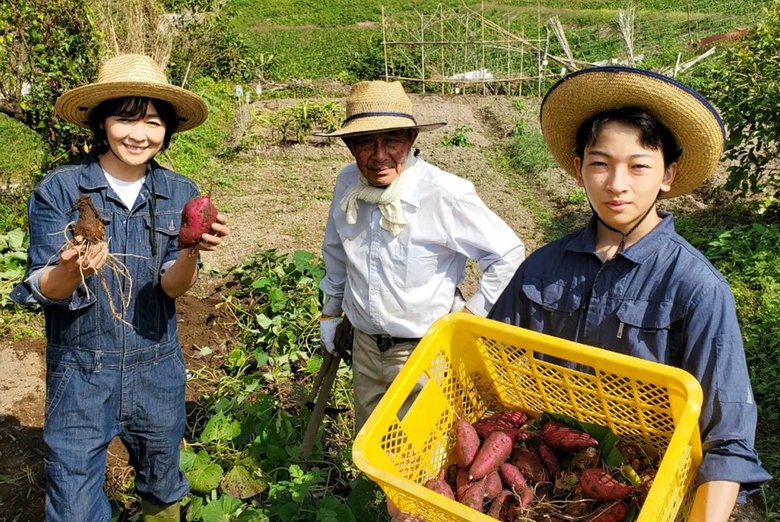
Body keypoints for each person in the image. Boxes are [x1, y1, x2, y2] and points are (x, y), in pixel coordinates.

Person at [488, 66, 771, 521]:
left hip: (648, 489)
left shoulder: (696, 287)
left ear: (667, 175)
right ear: (579, 169)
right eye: (600, 164)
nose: (616, 184)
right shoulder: (541, 269)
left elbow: (727, 438)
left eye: (639, 166)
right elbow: (489, 371)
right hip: (546, 481)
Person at [10, 54, 229, 522]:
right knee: (71, 497)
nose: (139, 134)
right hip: (81, 370)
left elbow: (173, 288)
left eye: (152, 121)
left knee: (163, 481)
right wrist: (75, 269)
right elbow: (44, 285)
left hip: (158, 364)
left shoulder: (179, 191)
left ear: (167, 129)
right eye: (125, 118)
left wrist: (192, 248)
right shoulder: (62, 189)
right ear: (102, 123)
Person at [315, 80, 525, 433]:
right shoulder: (348, 183)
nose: (379, 155)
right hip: (365, 345)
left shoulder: (443, 194)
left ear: (412, 139)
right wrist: (330, 311)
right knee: (372, 438)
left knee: (423, 450)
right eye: (366, 142)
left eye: (392, 140)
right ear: (350, 146)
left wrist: (470, 316)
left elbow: (507, 253)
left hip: (424, 353)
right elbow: (336, 250)